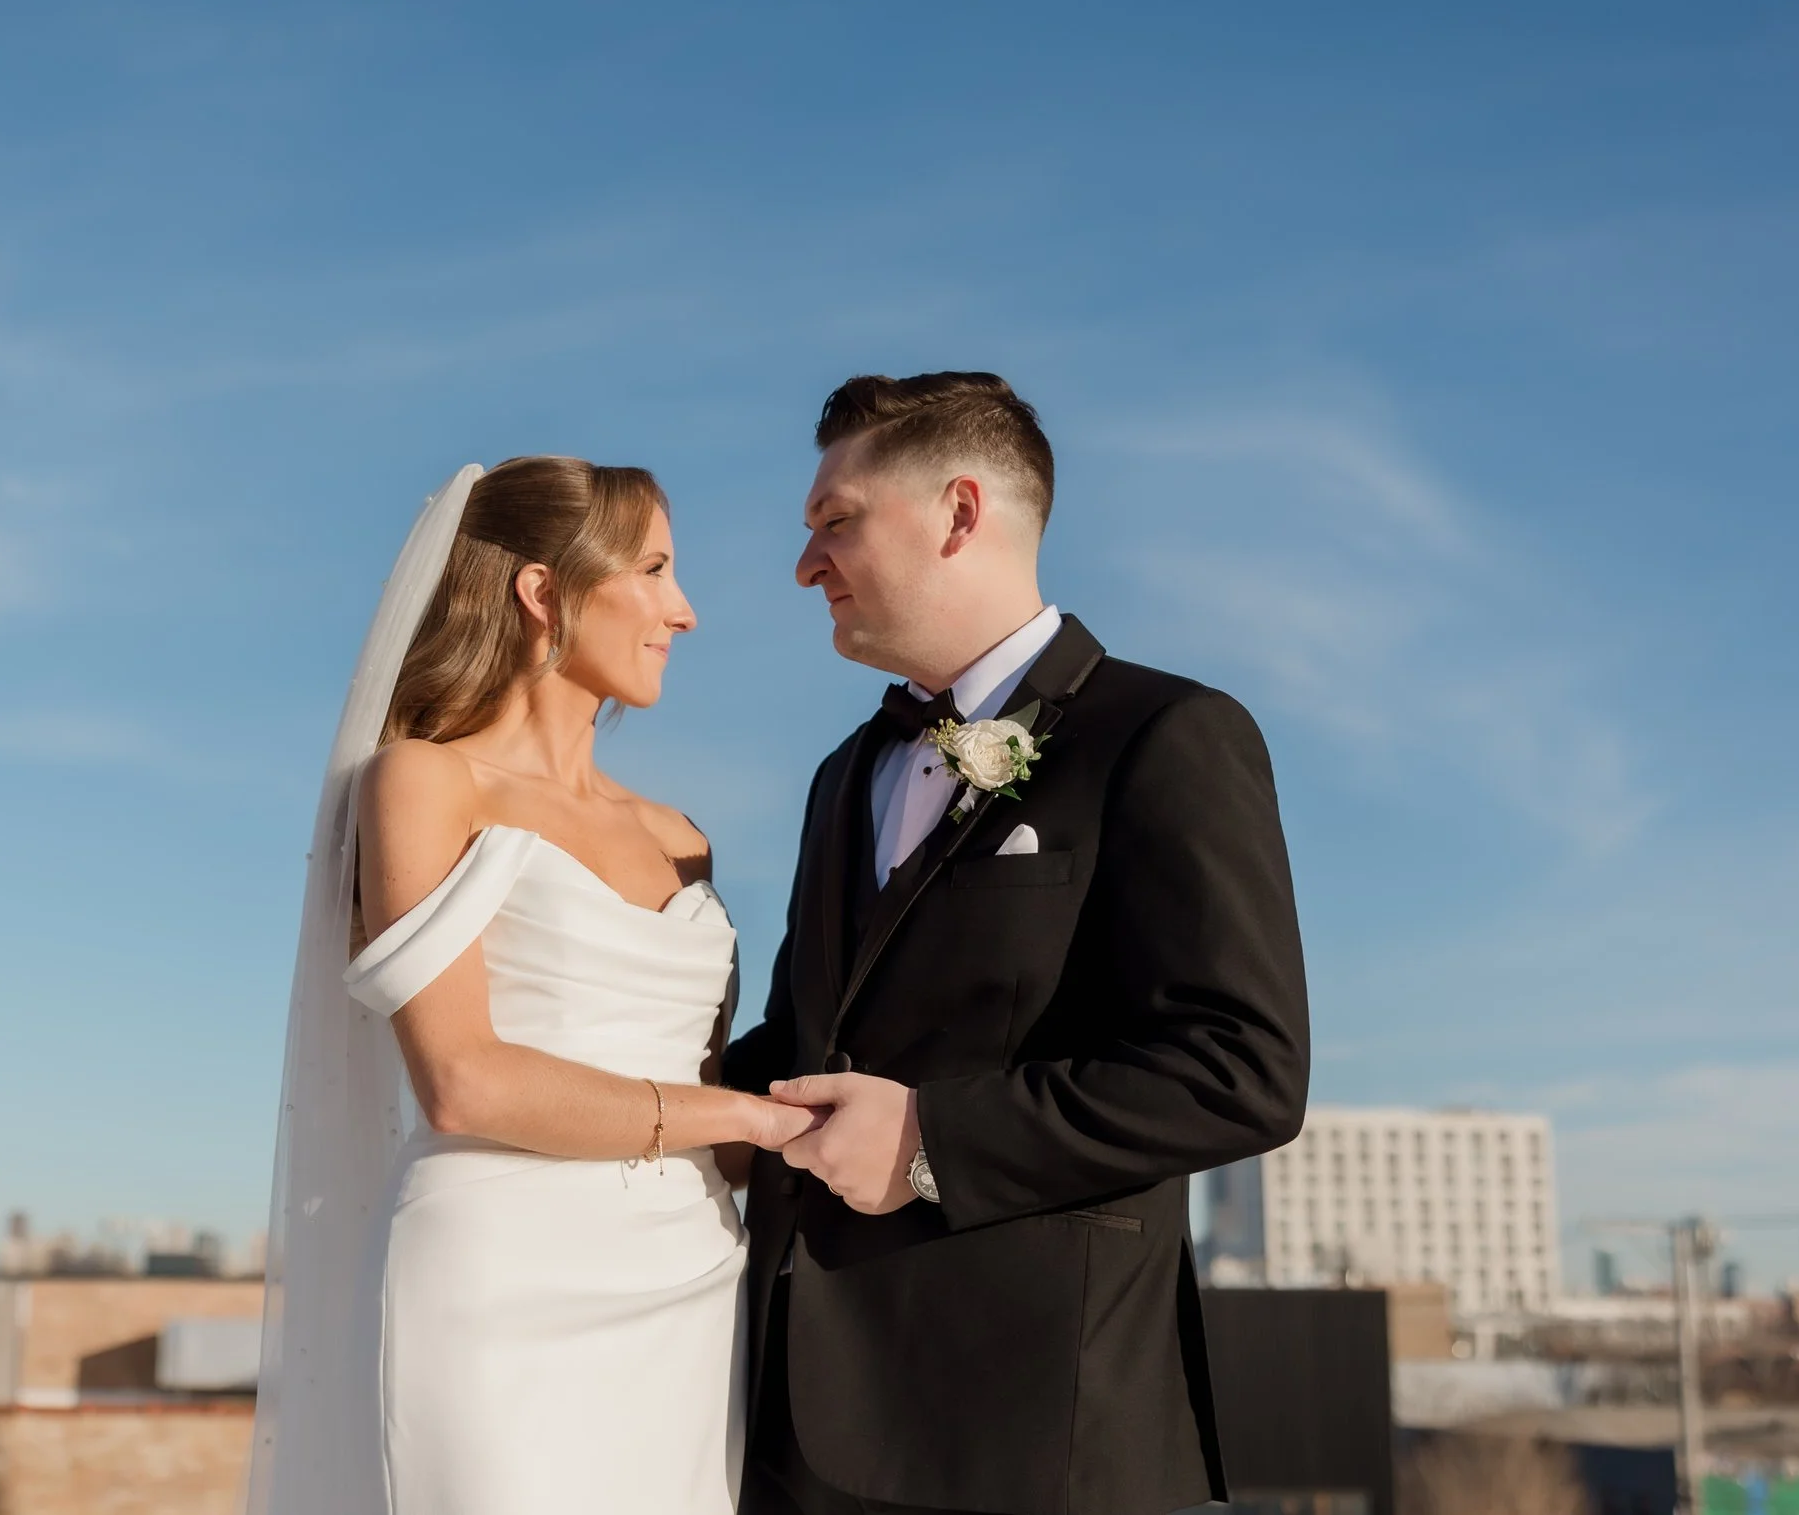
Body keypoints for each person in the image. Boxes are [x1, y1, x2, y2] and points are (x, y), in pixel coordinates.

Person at [724, 372, 1313, 1515]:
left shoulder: (1167, 733)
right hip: (789, 1424)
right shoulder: (845, 772)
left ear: (958, 513)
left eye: (834, 522)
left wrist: (929, 1139)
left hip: (1030, 1433)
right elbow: (803, 1041)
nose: (805, 565)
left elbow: (1240, 1071)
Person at [245, 456, 818, 1515]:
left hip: (691, 1282)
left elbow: (701, 1095)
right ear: (543, 590)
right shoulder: (425, 780)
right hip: (498, 1284)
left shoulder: (682, 837)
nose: (684, 611)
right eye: (654, 569)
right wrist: (749, 1115)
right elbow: (461, 1080)